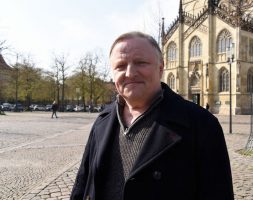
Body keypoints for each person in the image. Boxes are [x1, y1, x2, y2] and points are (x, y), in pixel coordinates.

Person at [71, 31, 233, 200]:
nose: (129, 73)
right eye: (120, 66)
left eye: (140, 63)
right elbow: (82, 184)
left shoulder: (202, 124)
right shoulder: (102, 122)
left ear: (161, 68)